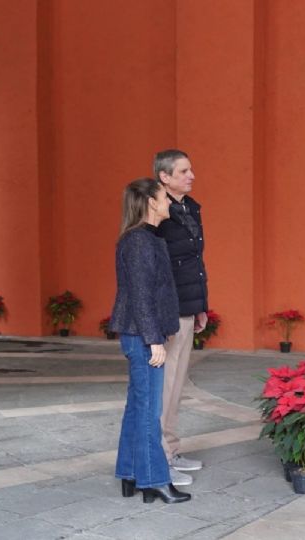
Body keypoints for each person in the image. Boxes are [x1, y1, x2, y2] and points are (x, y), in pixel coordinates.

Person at [110, 178, 191, 504]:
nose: (170, 202)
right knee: (148, 411)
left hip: (140, 334)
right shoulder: (140, 242)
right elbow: (141, 296)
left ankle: (130, 473)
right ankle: (155, 480)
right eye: (164, 198)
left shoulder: (142, 239)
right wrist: (154, 340)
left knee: (137, 408)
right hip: (143, 336)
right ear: (150, 203)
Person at [153, 149, 208, 486]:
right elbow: (157, 269)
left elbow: (194, 266)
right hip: (168, 310)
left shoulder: (189, 209)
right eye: (184, 171)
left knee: (176, 385)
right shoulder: (158, 212)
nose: (191, 175)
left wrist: (201, 305)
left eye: (191, 169)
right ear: (165, 177)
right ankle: (159, 458)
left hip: (187, 306)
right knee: (165, 386)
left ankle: (170, 448)